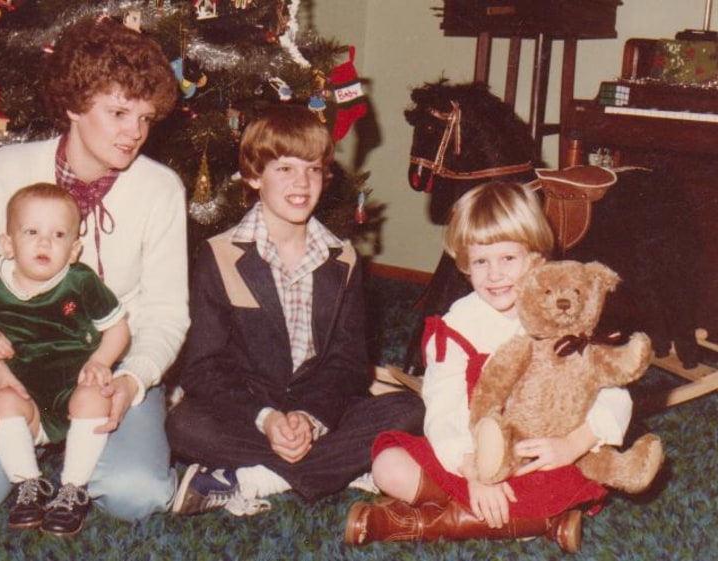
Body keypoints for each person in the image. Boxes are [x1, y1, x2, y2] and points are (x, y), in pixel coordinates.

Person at [0, 18, 189, 523]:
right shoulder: (6, 171)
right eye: (119, 113)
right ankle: (28, 447)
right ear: (73, 105)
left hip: (109, 372)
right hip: (17, 368)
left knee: (137, 496)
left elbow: (167, 312)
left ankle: (99, 454)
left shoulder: (160, 188)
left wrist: (132, 381)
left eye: (146, 118)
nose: (136, 133)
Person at [345, 182, 633, 553]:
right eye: (481, 261)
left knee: (568, 481)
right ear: (465, 264)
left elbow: (612, 389)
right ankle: (534, 522)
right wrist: (475, 469)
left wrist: (573, 443)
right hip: (468, 455)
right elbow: (443, 403)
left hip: (538, 459)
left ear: (536, 258)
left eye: (508, 259)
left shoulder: (562, 312)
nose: (494, 274)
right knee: (388, 467)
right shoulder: (458, 324)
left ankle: (419, 522)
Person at [166, 105, 424, 516]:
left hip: (319, 403)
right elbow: (204, 366)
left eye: (313, 169)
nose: (301, 183)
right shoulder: (220, 254)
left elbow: (349, 362)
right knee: (184, 425)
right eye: (284, 169)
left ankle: (256, 478)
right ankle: (341, 466)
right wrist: (267, 419)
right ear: (254, 177)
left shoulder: (342, 258)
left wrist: (310, 417)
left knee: (409, 409)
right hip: (250, 406)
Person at [0, 183, 130, 535]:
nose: (44, 242)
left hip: (74, 384)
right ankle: (28, 484)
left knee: (95, 395)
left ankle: (73, 487)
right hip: (23, 390)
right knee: (3, 403)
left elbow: (118, 330)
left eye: (58, 234)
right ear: (7, 244)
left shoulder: (81, 282)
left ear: (73, 249)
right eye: (31, 232)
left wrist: (100, 360)